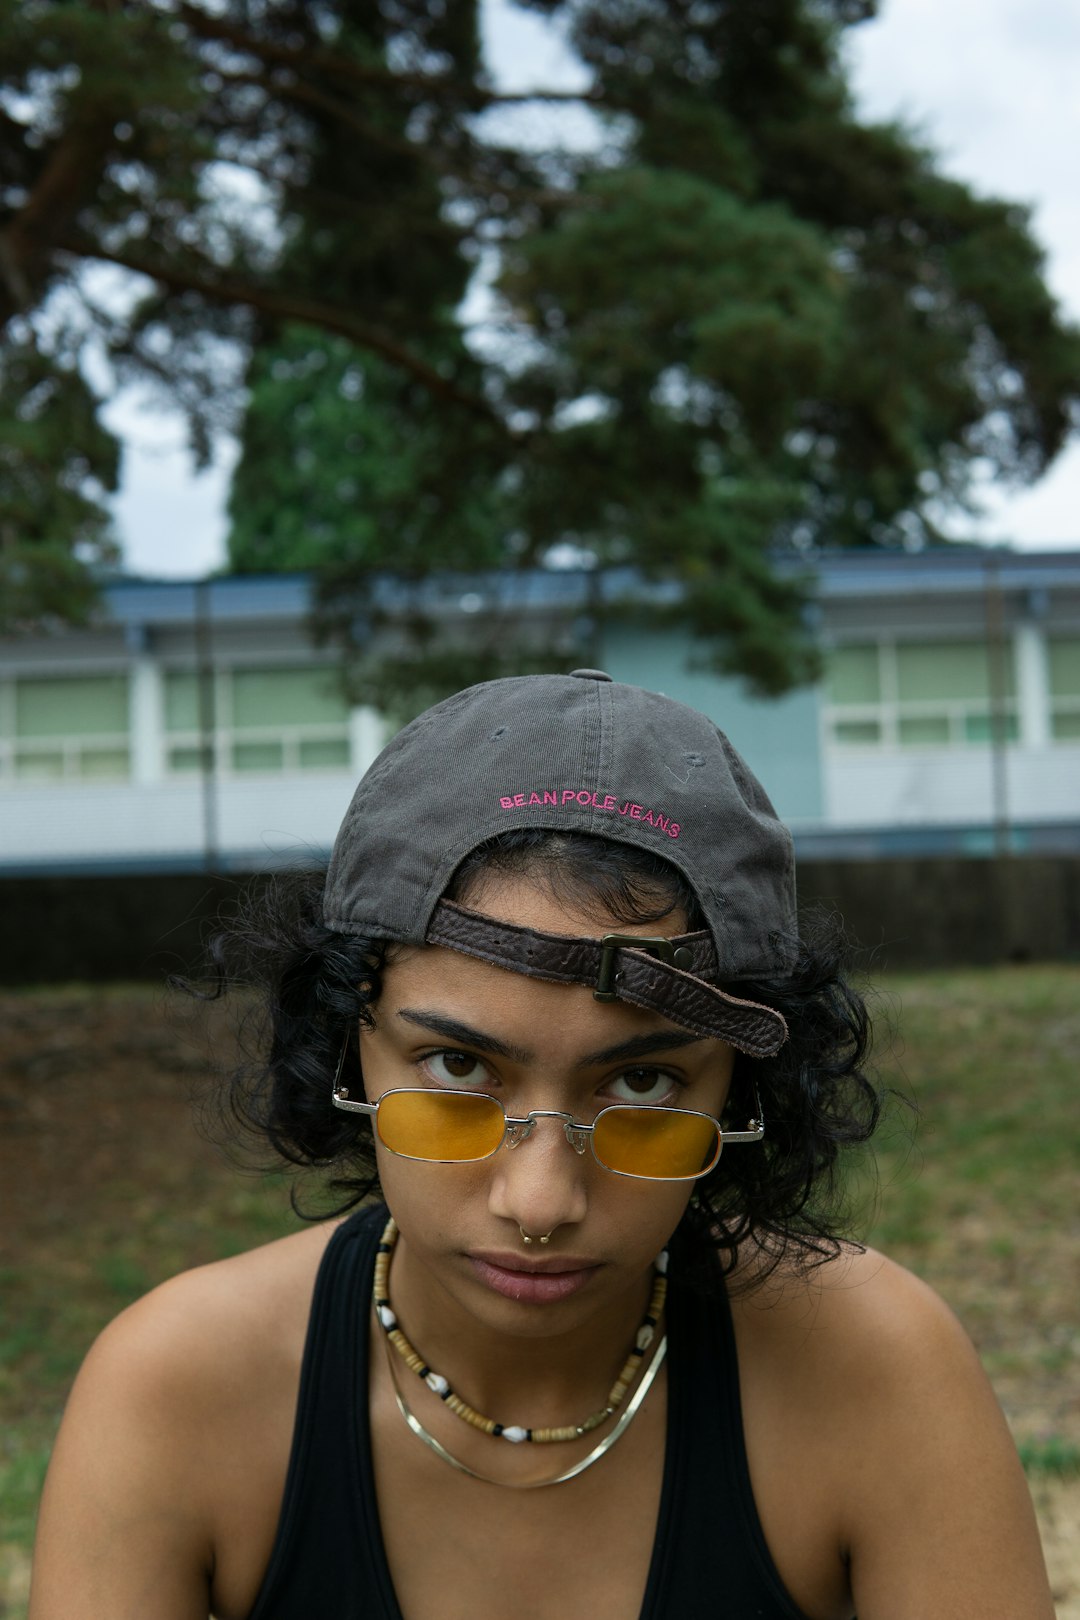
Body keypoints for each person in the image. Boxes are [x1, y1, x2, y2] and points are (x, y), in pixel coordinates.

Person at [30, 670, 1053, 1620]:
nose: (541, 1200)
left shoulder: (874, 1380)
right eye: (459, 1070)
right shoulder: (176, 1396)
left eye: (644, 1083)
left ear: (746, 1089)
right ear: (347, 1046)